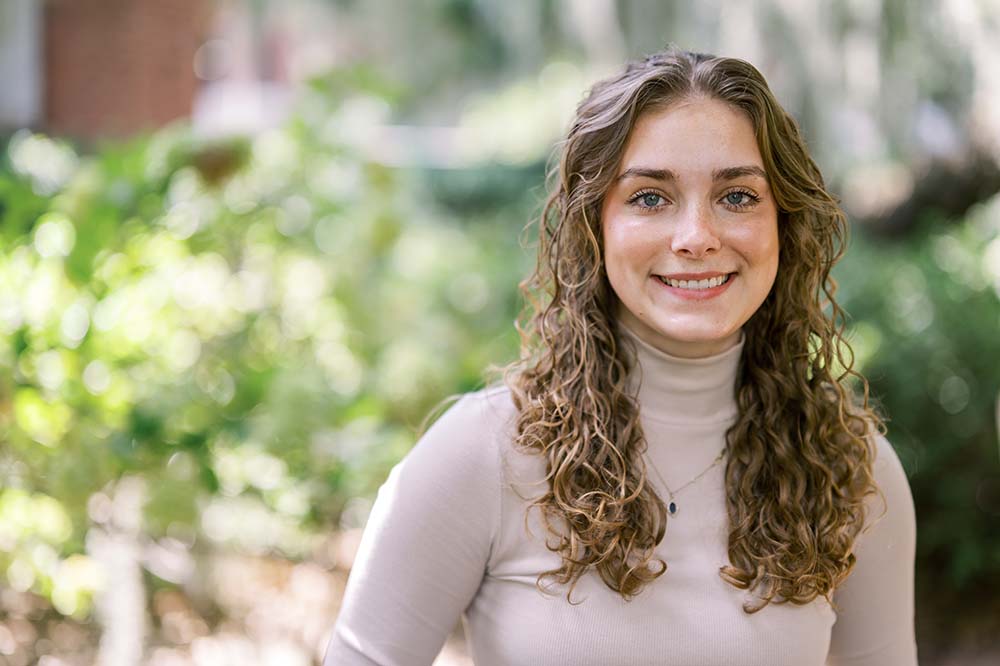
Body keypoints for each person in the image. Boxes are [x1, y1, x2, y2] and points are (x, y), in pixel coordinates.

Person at [322, 47, 917, 666]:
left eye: (737, 196)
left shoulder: (851, 471)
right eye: (650, 198)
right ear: (594, 224)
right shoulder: (485, 455)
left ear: (783, 223)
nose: (696, 238)